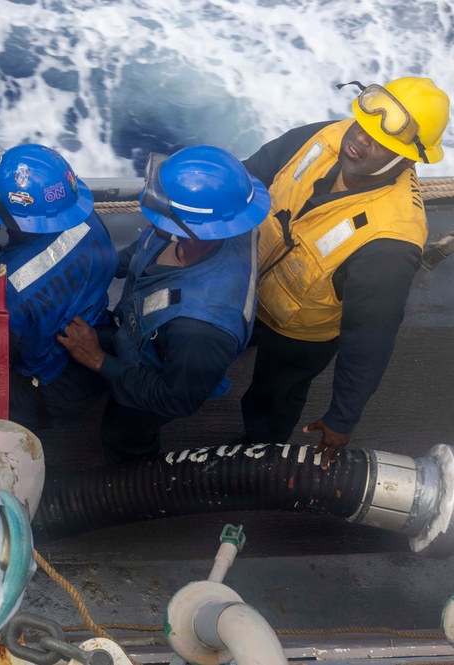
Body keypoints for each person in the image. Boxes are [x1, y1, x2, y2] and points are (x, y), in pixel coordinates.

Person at [239, 77, 450, 468]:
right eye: (361, 125)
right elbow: (252, 172)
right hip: (250, 281)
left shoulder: (390, 242)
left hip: (299, 332)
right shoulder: (325, 137)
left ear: (408, 158)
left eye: (381, 140)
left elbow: (369, 340)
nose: (360, 138)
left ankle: (255, 454)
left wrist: (342, 418)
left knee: (272, 398)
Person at [57, 146, 271, 462]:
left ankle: (131, 483)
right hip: (143, 333)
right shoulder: (217, 224)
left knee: (122, 434)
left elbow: (176, 400)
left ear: (192, 229)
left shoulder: (202, 329)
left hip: (163, 372)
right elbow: (140, 252)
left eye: (163, 208)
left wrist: (99, 360)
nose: (152, 205)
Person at [0, 144, 119, 430]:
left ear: (7, 215)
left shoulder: (6, 287)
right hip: (101, 336)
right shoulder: (87, 218)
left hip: (53, 390)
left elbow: (4, 353)